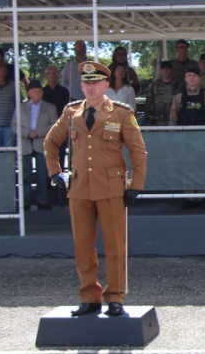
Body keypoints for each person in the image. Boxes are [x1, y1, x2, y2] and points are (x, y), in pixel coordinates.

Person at [43, 61, 147, 317]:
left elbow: (138, 150)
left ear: (105, 85)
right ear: (81, 86)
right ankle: (89, 296)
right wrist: (55, 171)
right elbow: (50, 142)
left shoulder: (121, 113)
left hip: (111, 188)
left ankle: (115, 297)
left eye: (95, 82)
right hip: (79, 188)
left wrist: (136, 185)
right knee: (83, 246)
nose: (90, 87)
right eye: (86, 83)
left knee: (115, 245)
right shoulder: (71, 112)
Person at [170, 67, 205, 210]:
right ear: (185, 79)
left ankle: (202, 196)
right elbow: (173, 118)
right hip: (185, 139)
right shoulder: (179, 97)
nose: (192, 78)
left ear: (199, 78)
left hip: (204, 139)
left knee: (203, 167)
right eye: (189, 76)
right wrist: (173, 137)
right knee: (187, 167)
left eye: (194, 76)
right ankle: (190, 197)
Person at [13, 80, 57, 210]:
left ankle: (42, 201)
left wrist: (38, 132)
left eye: (39, 91)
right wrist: (27, 133)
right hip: (25, 142)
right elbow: (14, 125)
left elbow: (55, 125)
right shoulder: (20, 107)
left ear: (42, 92)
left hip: (42, 141)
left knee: (42, 174)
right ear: (28, 93)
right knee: (25, 175)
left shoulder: (50, 107)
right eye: (34, 91)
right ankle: (25, 202)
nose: (37, 93)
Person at [144, 61, 179, 127]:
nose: (166, 71)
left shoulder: (178, 85)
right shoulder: (154, 86)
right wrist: (147, 121)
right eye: (163, 68)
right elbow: (148, 104)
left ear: (171, 70)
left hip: (173, 122)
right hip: (156, 122)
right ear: (161, 71)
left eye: (168, 68)